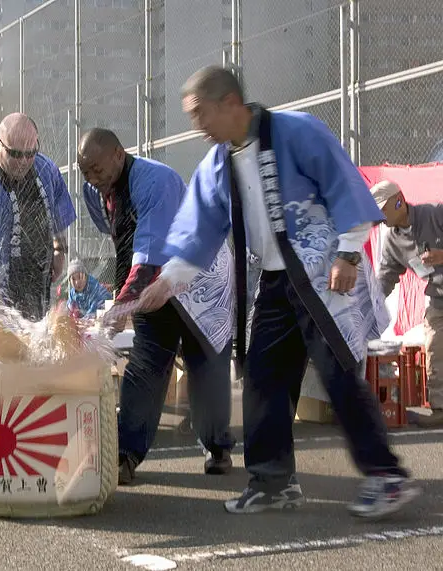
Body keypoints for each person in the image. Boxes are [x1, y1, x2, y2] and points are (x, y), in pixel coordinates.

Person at [138, 65, 418, 518]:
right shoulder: (217, 162)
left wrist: (348, 253)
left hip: (323, 273)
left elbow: (341, 183)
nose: (198, 126)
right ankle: (272, 483)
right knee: (264, 377)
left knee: (338, 374)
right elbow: (200, 229)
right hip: (272, 280)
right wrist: (167, 281)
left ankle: (386, 476)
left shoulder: (296, 131)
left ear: (230, 103)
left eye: (201, 114)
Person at [78, 127, 237, 483]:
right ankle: (124, 454)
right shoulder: (95, 191)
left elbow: (148, 259)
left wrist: (120, 310)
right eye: (85, 172)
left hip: (199, 278)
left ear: (120, 154)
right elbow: (124, 245)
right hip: (153, 283)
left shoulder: (156, 181)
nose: (93, 179)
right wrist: (122, 299)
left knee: (205, 365)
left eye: (98, 170)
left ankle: (217, 446)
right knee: (146, 365)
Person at [0, 112, 75, 322]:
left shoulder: (46, 169)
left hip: (34, 272)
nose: (23, 161)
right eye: (15, 154)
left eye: (30, 154)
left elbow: (59, 211)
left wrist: (59, 250)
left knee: (38, 336)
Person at [370, 180, 443, 426]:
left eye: (382, 209)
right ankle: (440, 409)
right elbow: (386, 275)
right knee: (434, 345)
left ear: (398, 200)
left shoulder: (434, 213)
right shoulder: (391, 239)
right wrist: (370, 307)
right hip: (439, 298)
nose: (380, 216)